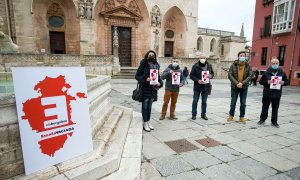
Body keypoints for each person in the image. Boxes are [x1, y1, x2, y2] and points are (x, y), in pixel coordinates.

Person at [135, 50, 163, 132]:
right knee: (145, 106)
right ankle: (145, 122)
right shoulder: (143, 64)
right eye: (150, 55)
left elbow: (158, 77)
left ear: (155, 56)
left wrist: (160, 83)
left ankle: (148, 121)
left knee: (150, 107)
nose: (151, 56)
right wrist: (145, 78)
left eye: (153, 55)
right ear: (147, 55)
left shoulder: (156, 65)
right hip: (145, 88)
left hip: (153, 89)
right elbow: (137, 76)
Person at [257, 58, 288, 128]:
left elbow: (287, 81)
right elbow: (261, 81)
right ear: (271, 64)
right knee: (265, 107)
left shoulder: (282, 72)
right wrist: (267, 82)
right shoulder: (266, 72)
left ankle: (274, 122)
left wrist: (283, 82)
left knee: (275, 109)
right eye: (273, 63)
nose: (275, 65)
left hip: (277, 94)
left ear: (279, 64)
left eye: (276, 63)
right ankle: (262, 119)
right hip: (267, 93)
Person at [227, 51, 252, 123]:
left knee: (243, 103)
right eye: (241, 56)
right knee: (233, 102)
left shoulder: (248, 66)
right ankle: (231, 115)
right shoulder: (233, 65)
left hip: (244, 87)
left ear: (245, 57)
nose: (242, 57)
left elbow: (250, 76)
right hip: (234, 87)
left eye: (243, 55)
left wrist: (242, 83)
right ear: (238, 57)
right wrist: (236, 83)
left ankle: (242, 117)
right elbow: (230, 75)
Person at [190, 52, 214, 120]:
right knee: (195, 100)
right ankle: (194, 114)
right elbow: (191, 75)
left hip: (206, 87)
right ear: (199, 58)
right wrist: (198, 80)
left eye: (204, 58)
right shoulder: (195, 66)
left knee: (204, 101)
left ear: (206, 58)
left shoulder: (209, 65)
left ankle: (203, 114)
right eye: (201, 58)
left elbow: (212, 73)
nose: (202, 59)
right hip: (197, 86)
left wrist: (211, 76)